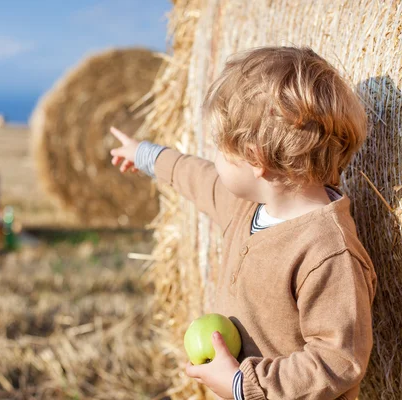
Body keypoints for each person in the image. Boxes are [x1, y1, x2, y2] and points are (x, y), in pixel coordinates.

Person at [110, 46, 377, 400]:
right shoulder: (248, 207)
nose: (214, 159)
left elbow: (337, 359)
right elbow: (198, 177)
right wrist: (145, 155)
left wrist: (242, 385)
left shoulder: (328, 252)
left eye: (220, 148)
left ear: (255, 158)